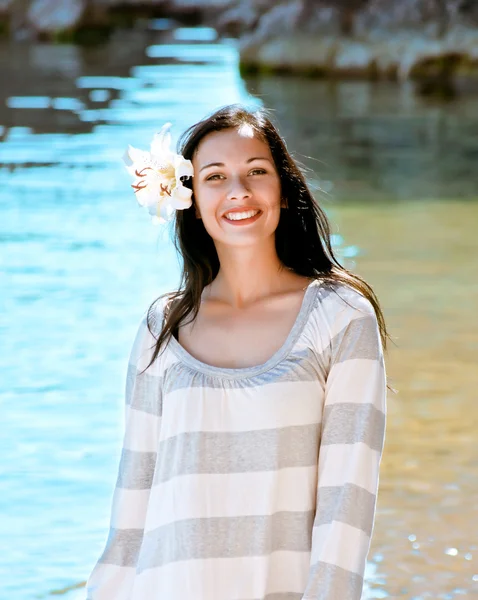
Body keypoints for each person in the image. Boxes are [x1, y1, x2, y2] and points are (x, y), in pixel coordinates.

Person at [85, 104, 388, 600]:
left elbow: (347, 501)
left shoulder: (340, 316)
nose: (238, 192)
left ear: (284, 191)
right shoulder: (162, 328)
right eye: (215, 177)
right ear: (191, 200)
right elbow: (133, 505)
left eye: (256, 172)